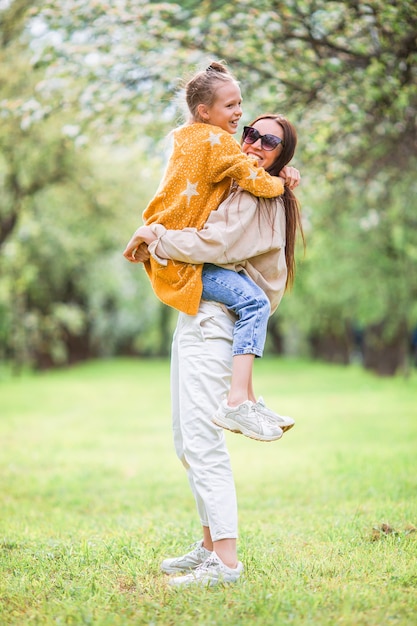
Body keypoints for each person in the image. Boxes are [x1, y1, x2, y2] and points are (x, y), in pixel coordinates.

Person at [125, 113, 304, 586]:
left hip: (216, 322)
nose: (254, 142)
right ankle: (208, 547)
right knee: (186, 439)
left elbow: (217, 244)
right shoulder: (242, 179)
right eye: (250, 132)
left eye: (269, 141)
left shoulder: (259, 190)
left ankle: (225, 562)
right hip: (197, 314)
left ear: (282, 154)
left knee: (204, 442)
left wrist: (157, 236)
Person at [124, 61, 297, 442]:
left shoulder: (192, 138)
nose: (239, 115)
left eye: (241, 106)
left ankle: (246, 399)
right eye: (232, 108)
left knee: (253, 303)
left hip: (180, 250)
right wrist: (280, 182)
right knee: (254, 304)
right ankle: (238, 401)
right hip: (187, 260)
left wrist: (280, 171)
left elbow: (243, 167)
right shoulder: (217, 143)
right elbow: (252, 179)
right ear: (205, 112)